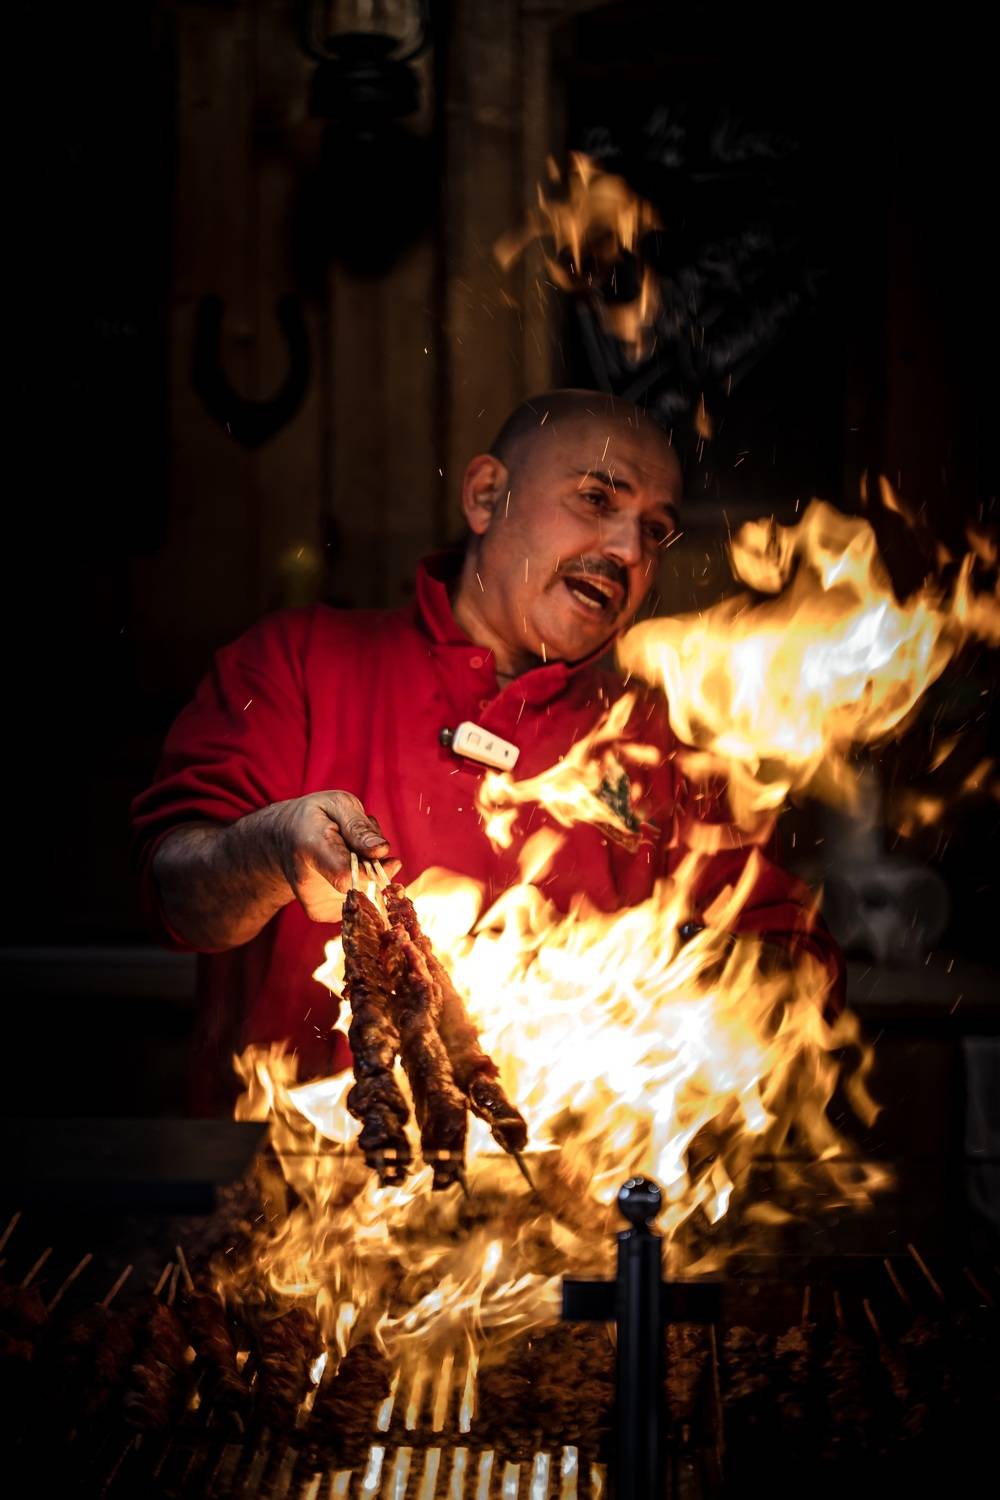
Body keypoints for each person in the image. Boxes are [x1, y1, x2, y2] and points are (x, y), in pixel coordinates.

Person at [132, 390, 842, 1112]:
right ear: (485, 496)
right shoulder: (297, 662)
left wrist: (681, 989)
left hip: (571, 1174)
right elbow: (177, 897)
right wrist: (271, 850)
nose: (630, 552)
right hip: (294, 1166)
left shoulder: (657, 740)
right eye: (597, 499)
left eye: (655, 531)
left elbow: (793, 958)